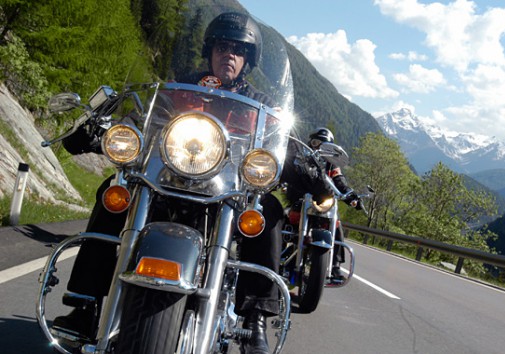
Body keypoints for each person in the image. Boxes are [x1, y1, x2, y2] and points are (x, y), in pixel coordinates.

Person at [54, 12, 306, 354]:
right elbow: (148, 116)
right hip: (166, 182)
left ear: (247, 60)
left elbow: (278, 139)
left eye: (237, 49)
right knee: (115, 191)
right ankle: (84, 303)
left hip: (225, 193)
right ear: (210, 50)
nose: (228, 54)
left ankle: (255, 319)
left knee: (269, 211)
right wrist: (120, 128)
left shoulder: (261, 106)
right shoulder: (178, 89)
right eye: (221, 46)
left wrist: (298, 159)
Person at [307, 127, 363, 282]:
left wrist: (352, 196)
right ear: (310, 143)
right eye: (316, 142)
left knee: (335, 222)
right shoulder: (301, 158)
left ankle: (335, 265)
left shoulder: (332, 165)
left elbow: (339, 181)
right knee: (284, 216)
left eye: (324, 145)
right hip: (301, 199)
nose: (319, 148)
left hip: (323, 201)